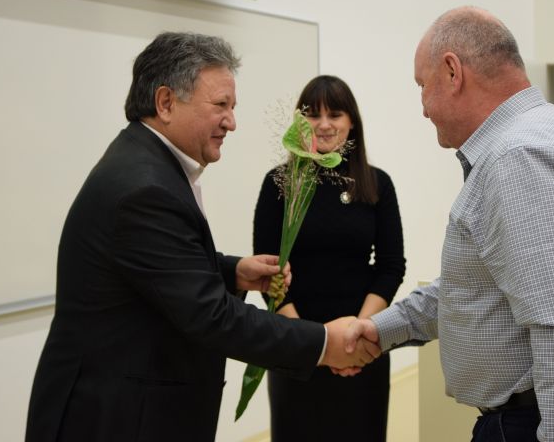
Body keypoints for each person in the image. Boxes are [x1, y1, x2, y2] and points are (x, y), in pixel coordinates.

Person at [25, 32, 379, 442]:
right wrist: (323, 342)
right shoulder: (144, 188)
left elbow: (166, 270)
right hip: (114, 417)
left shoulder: (145, 164)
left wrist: (233, 272)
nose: (231, 121)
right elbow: (212, 316)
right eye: (220, 105)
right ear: (165, 102)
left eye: (233, 107)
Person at [344, 7, 554, 441]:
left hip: (541, 422)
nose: (423, 109)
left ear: (453, 72)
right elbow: (476, 287)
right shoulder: (544, 134)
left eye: (422, 86)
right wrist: (381, 329)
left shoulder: (519, 158)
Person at [253, 75, 406, 441]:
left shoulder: (376, 184)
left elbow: (391, 267)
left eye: (334, 114)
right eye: (313, 114)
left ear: (351, 122)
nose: (323, 124)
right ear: (299, 122)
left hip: (363, 347)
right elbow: (267, 273)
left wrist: (356, 339)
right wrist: (313, 345)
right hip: (297, 348)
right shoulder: (279, 184)